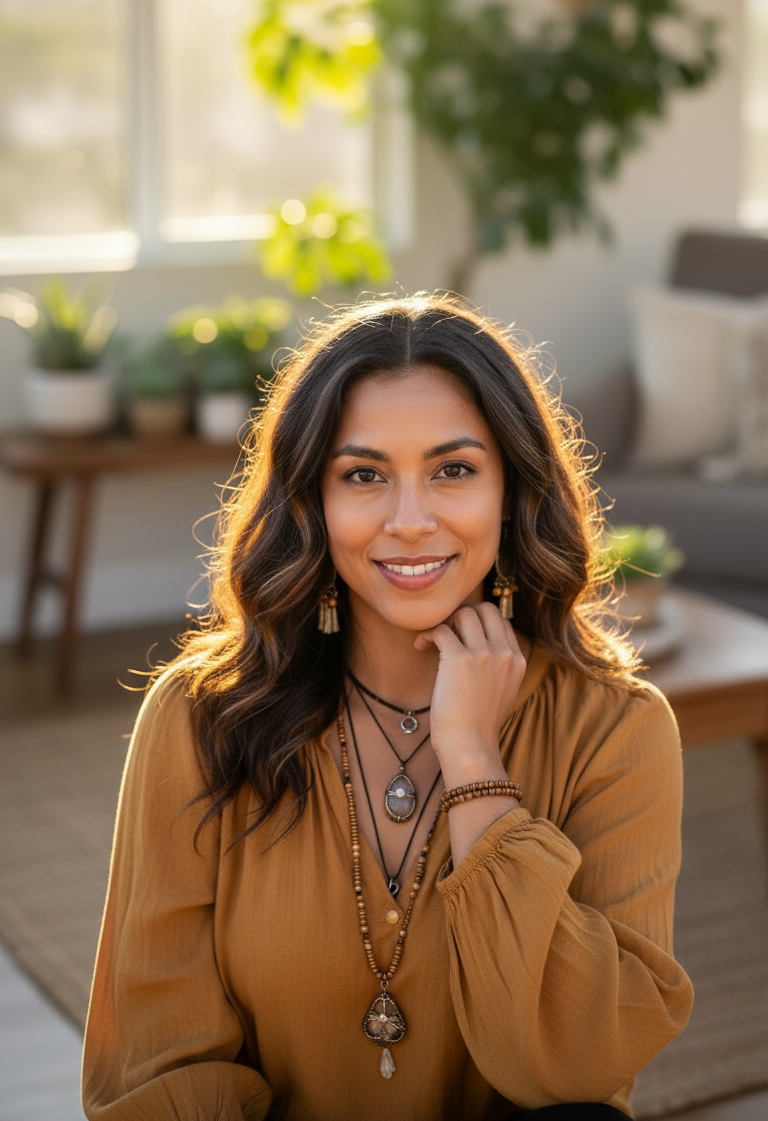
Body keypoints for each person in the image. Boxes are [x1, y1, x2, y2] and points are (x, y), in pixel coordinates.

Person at [82, 293, 692, 1121]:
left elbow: (579, 1071)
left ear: (512, 490)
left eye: (454, 470)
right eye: (364, 475)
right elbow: (160, 1072)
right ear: (311, 502)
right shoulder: (199, 719)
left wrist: (476, 764)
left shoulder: (618, 729)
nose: (410, 522)